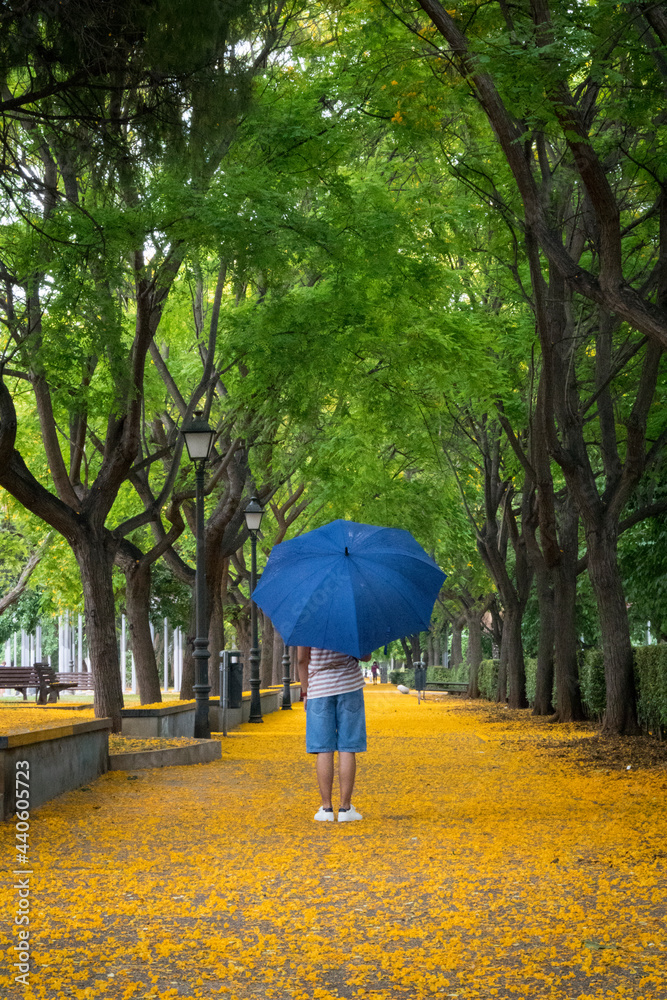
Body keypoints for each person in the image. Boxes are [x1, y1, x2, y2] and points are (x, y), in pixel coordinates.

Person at [297, 646, 371, 823]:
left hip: (319, 688)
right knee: (348, 747)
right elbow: (366, 656)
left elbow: (301, 660)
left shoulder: (308, 622)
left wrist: (305, 691)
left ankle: (326, 808)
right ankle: (345, 808)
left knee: (324, 749)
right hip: (349, 686)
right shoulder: (351, 620)